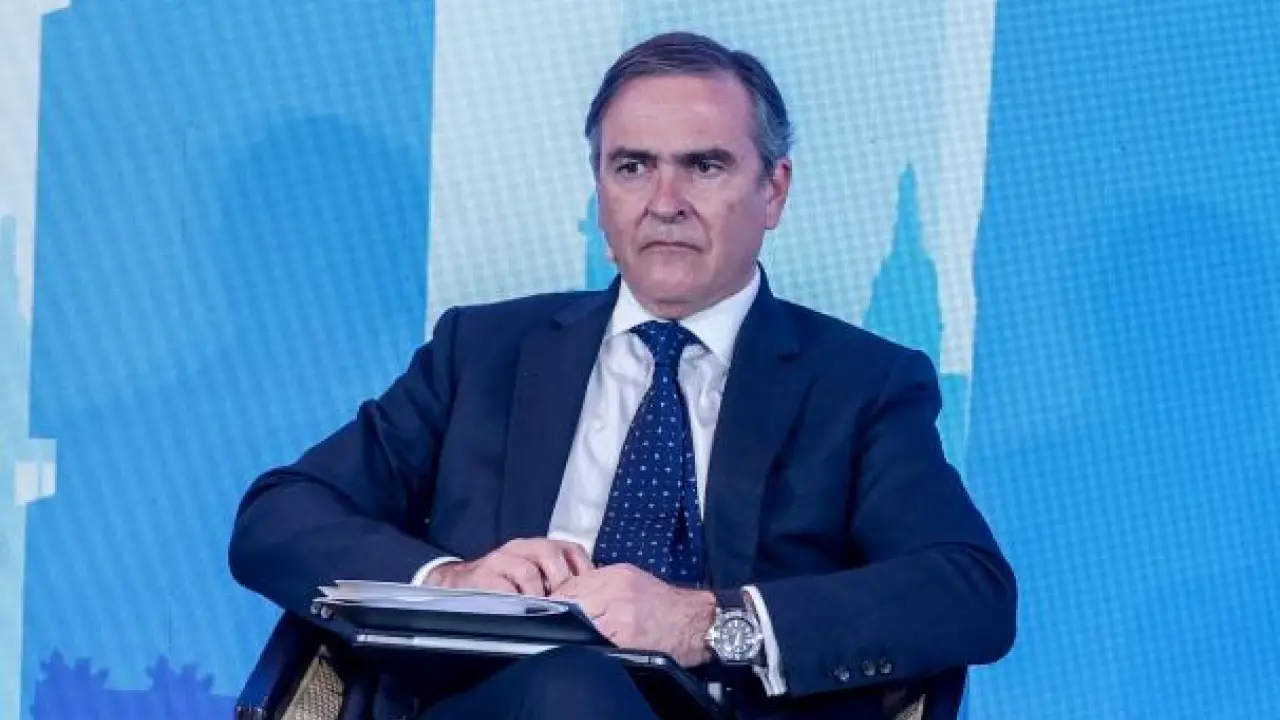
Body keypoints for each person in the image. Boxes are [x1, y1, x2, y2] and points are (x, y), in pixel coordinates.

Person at [228, 30, 1016, 720]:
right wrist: (453, 580)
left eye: (704, 166)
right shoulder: (485, 351)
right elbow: (279, 516)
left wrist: (707, 623)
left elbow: (967, 590)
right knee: (569, 684)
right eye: (633, 166)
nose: (664, 202)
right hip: (500, 705)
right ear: (599, 189)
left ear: (773, 190)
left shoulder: (859, 385)